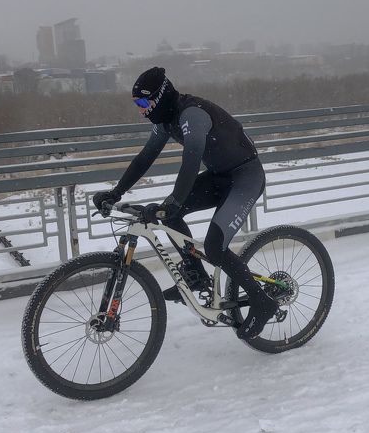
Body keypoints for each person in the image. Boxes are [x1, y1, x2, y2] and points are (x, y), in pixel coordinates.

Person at [92, 66, 278, 340]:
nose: (141, 110)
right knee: (169, 215)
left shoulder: (191, 114)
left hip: (245, 177)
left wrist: (175, 200)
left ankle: (263, 303)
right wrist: (116, 192)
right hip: (219, 177)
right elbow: (145, 158)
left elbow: (191, 159)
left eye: (144, 103)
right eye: (137, 104)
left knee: (215, 247)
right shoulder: (165, 120)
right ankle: (196, 275)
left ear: (161, 96)